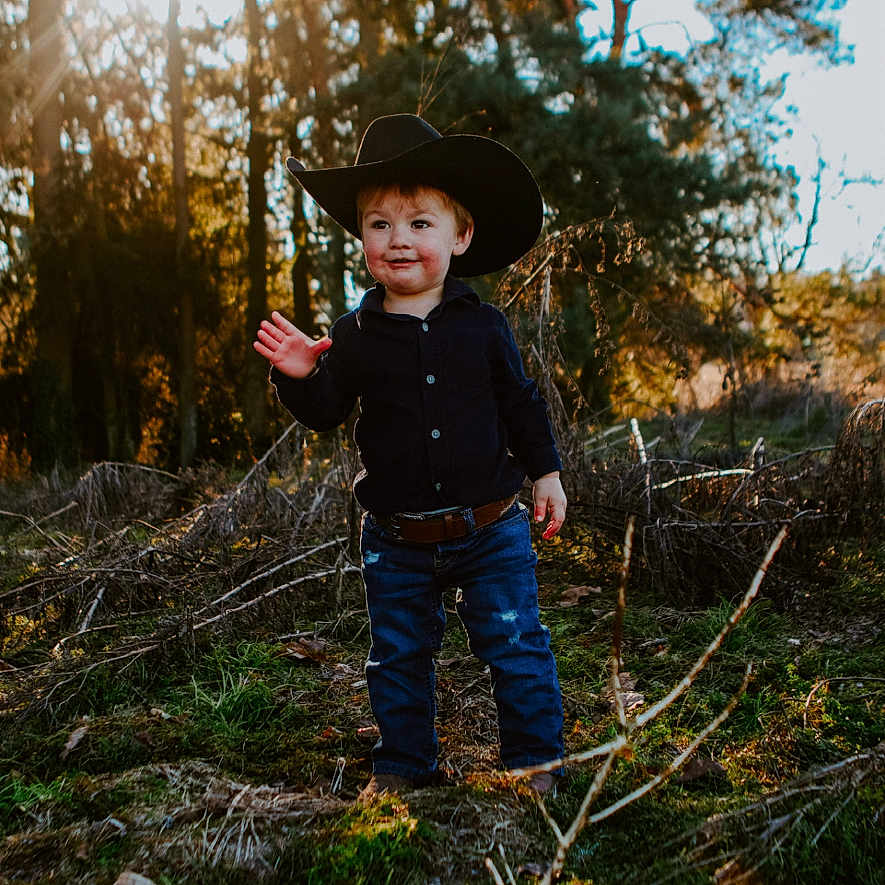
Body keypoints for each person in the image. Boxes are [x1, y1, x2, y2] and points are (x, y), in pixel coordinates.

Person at [253, 114, 567, 800]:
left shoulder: (484, 326)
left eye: (420, 222)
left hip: (491, 527)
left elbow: (521, 403)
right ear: (362, 238)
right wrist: (300, 375)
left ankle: (535, 761)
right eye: (379, 224)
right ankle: (403, 766)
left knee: (515, 643)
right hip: (396, 539)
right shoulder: (354, 335)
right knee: (397, 656)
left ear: (460, 235)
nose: (398, 238)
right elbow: (326, 411)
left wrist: (546, 473)